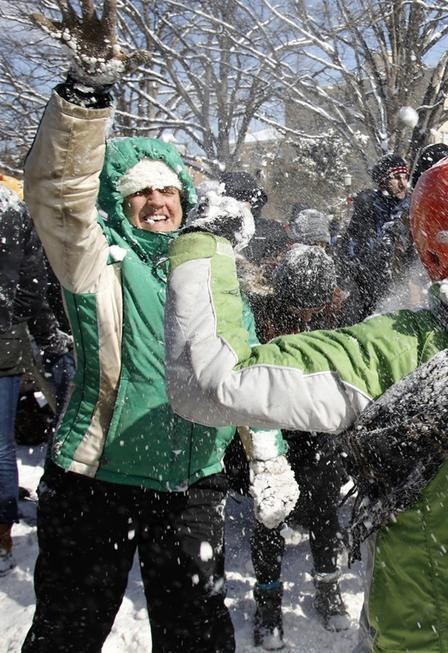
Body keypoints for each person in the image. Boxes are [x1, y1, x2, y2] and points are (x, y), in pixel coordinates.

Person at [162, 146, 448, 653]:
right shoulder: (399, 347)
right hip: (432, 636)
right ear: (445, 241)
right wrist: (204, 242)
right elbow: (213, 381)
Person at [22, 6, 295, 651]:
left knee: (198, 637)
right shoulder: (93, 258)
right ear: (120, 201)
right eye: (140, 192)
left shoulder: (211, 265)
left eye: (167, 190)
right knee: (68, 634)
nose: (156, 201)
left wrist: (269, 458)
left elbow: (245, 368)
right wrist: (87, 96)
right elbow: (58, 188)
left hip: (190, 484)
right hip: (96, 482)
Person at [246, 245, 351, 648]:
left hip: (320, 423)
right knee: (270, 511)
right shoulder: (261, 308)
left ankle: (328, 588)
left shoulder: (342, 306)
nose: (307, 317)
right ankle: (268, 601)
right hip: (271, 421)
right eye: (298, 309)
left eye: (315, 308)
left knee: (325, 508)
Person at [0, 185, 72, 576]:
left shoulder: (22, 215)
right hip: (16, 340)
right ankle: (6, 534)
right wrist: (50, 337)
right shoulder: (16, 214)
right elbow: (30, 288)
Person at [343, 153, 412, 320]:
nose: (403, 183)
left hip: (406, 287)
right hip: (371, 289)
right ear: (383, 182)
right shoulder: (369, 207)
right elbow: (352, 247)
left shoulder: (411, 205)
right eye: (396, 178)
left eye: (405, 177)